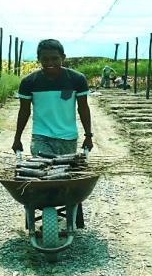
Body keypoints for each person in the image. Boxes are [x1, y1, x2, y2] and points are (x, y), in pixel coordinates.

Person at [12, 39, 93, 226]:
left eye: (55, 58)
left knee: (68, 177)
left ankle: (72, 217)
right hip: (41, 136)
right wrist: (17, 138)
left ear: (63, 58)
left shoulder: (76, 79)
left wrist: (89, 136)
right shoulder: (29, 82)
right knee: (40, 176)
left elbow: (83, 108)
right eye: (45, 59)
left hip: (68, 137)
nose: (50, 63)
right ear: (38, 59)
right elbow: (24, 111)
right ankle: (37, 214)